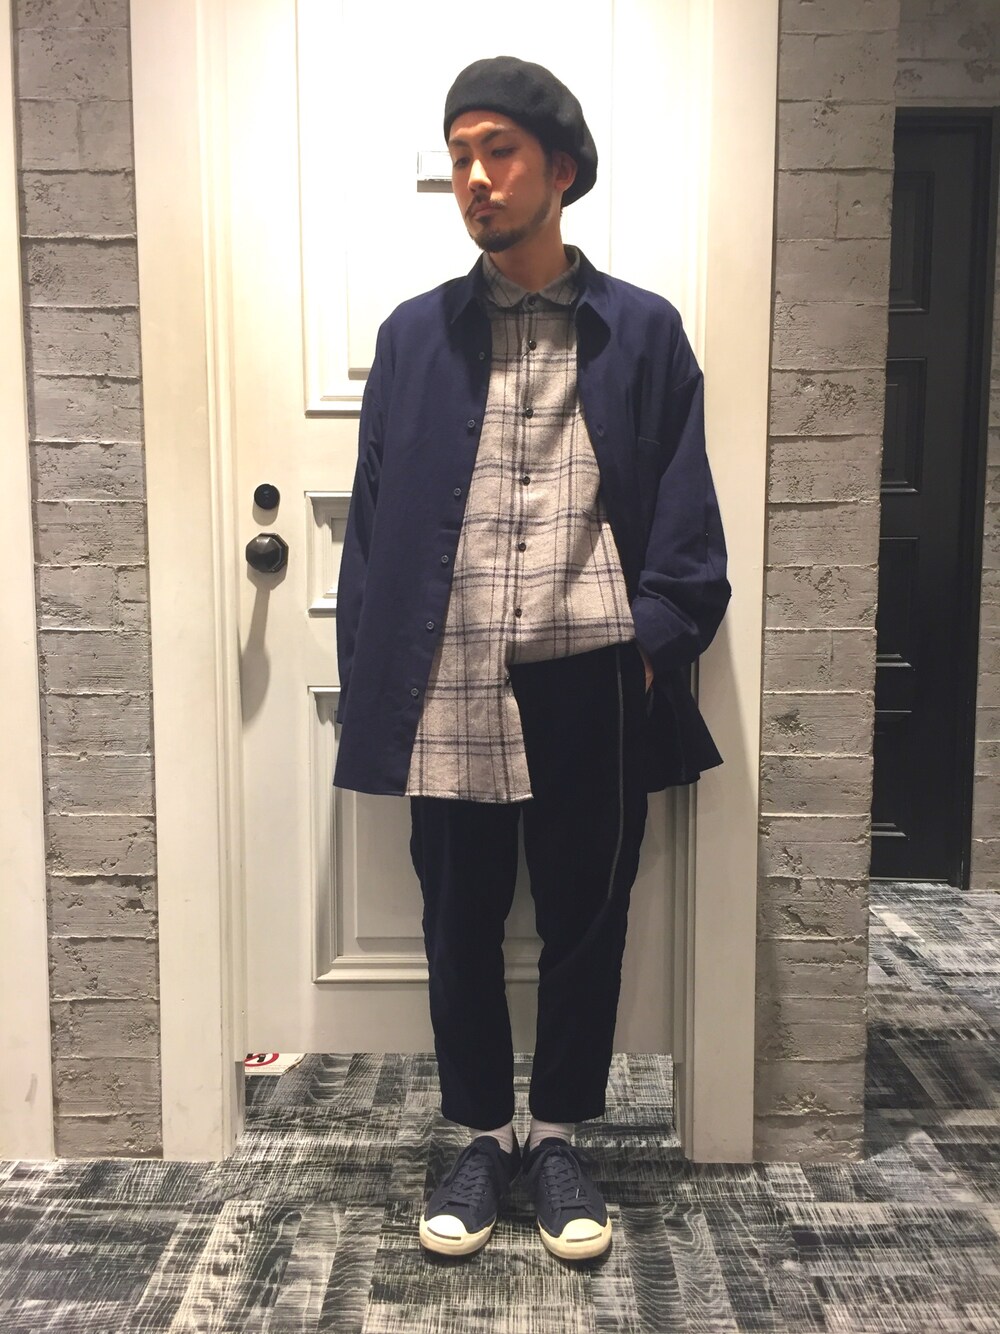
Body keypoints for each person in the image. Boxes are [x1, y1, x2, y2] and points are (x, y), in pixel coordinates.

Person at [334, 55, 731, 1261]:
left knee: (584, 916)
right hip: (446, 674)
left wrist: (649, 647)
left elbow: (687, 522)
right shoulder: (413, 338)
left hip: (592, 672)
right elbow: (373, 526)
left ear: (560, 168)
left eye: (498, 150)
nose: (475, 177)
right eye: (461, 154)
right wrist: (373, 682)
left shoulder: (643, 332)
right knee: (456, 917)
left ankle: (555, 1135)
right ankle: (476, 1134)